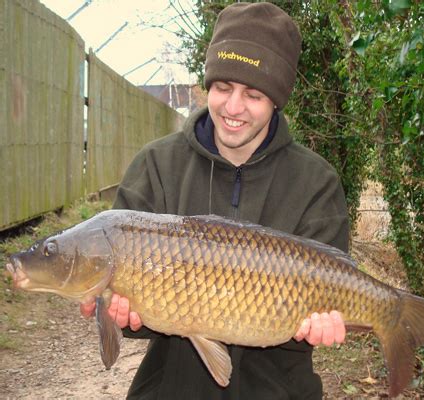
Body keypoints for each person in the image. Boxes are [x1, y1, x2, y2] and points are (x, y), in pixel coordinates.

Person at [81, 2, 349, 399]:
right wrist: (126, 317)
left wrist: (317, 328)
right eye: (223, 88)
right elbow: (134, 315)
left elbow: (316, 311)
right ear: (207, 85)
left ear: (277, 100)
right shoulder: (156, 165)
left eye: (253, 94)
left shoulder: (316, 182)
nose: (233, 107)